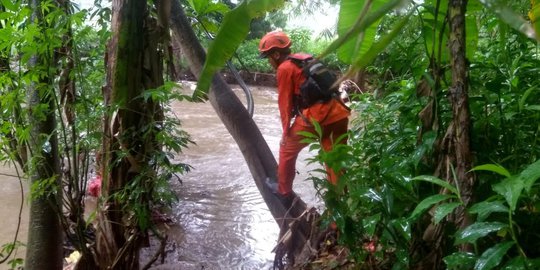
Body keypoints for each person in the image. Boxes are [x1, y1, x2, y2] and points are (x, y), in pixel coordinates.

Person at [259, 30, 350, 199]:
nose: (269, 62)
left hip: (318, 116)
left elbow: (284, 103)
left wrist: (285, 132)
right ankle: (339, 214)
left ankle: (283, 190)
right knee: (335, 161)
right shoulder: (306, 58)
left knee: (286, 149)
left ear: (277, 54)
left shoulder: (284, 68)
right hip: (338, 112)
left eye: (268, 57)